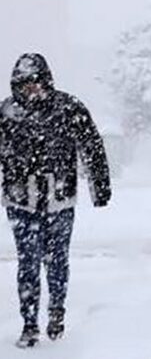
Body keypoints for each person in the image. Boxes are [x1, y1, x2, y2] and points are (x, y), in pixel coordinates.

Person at [0, 54, 111, 348]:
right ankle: (29, 323)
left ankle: (57, 313)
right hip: (21, 201)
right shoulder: (6, 114)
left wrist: (100, 187)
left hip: (59, 199)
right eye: (25, 85)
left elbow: (92, 146)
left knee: (57, 260)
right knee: (28, 261)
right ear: (16, 86)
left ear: (46, 81)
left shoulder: (68, 108)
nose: (32, 91)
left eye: (36, 83)